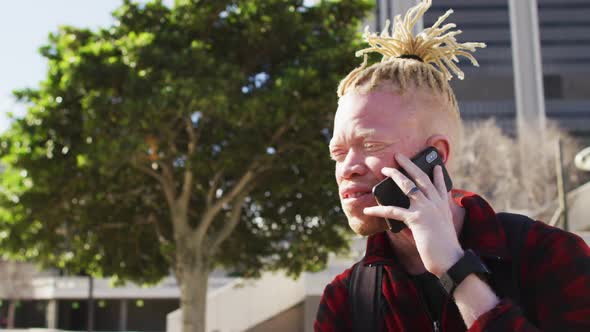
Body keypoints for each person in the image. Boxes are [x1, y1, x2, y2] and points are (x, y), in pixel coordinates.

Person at [314, 0, 590, 331]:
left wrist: (455, 270)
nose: (348, 168)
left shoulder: (549, 254)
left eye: (371, 145)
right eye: (338, 153)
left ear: (435, 155)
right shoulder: (344, 299)